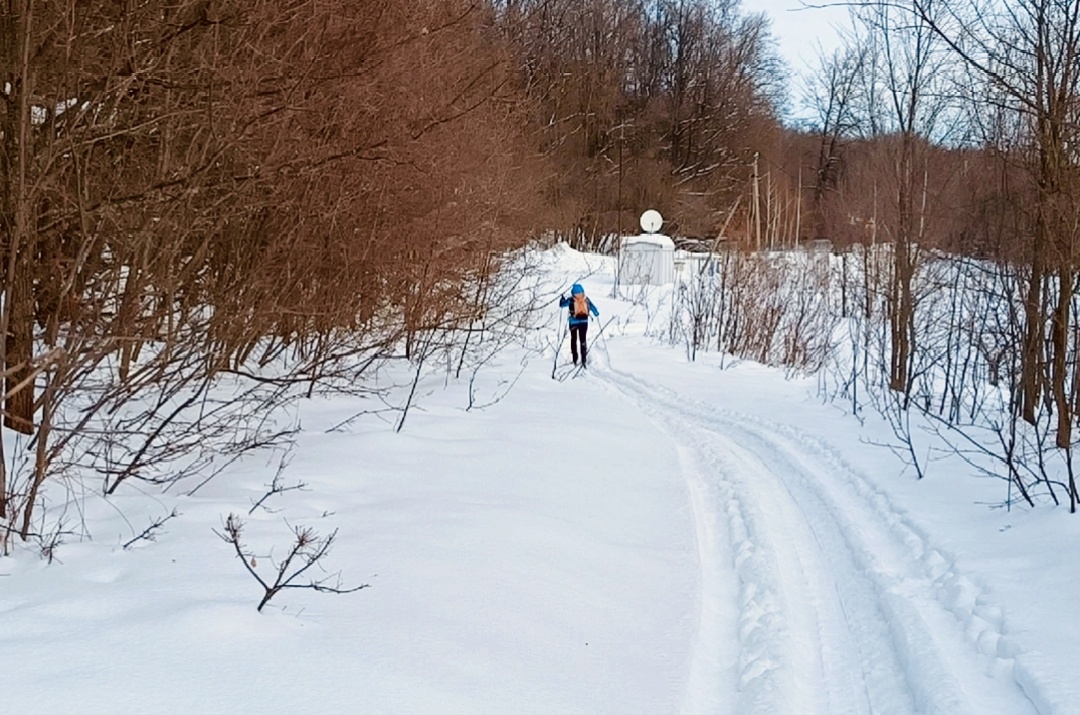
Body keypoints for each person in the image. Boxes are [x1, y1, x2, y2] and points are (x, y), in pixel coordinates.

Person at [558, 283, 600, 367]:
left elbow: (561, 305)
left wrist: (562, 299)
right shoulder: (586, 299)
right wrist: (596, 313)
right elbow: (593, 309)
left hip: (573, 322)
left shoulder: (571, 300)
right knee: (583, 340)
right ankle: (584, 359)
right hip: (584, 322)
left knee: (573, 339)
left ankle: (575, 359)